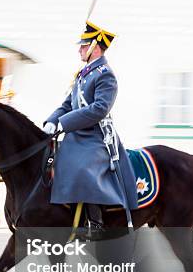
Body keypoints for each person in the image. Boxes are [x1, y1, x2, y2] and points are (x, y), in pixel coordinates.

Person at [42, 21, 138, 237]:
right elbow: (68, 103)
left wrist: (64, 123)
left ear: (95, 47)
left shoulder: (105, 74)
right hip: (77, 133)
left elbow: (99, 109)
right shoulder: (83, 74)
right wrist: (52, 120)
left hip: (96, 135)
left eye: (83, 46)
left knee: (83, 166)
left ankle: (96, 223)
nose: (79, 50)